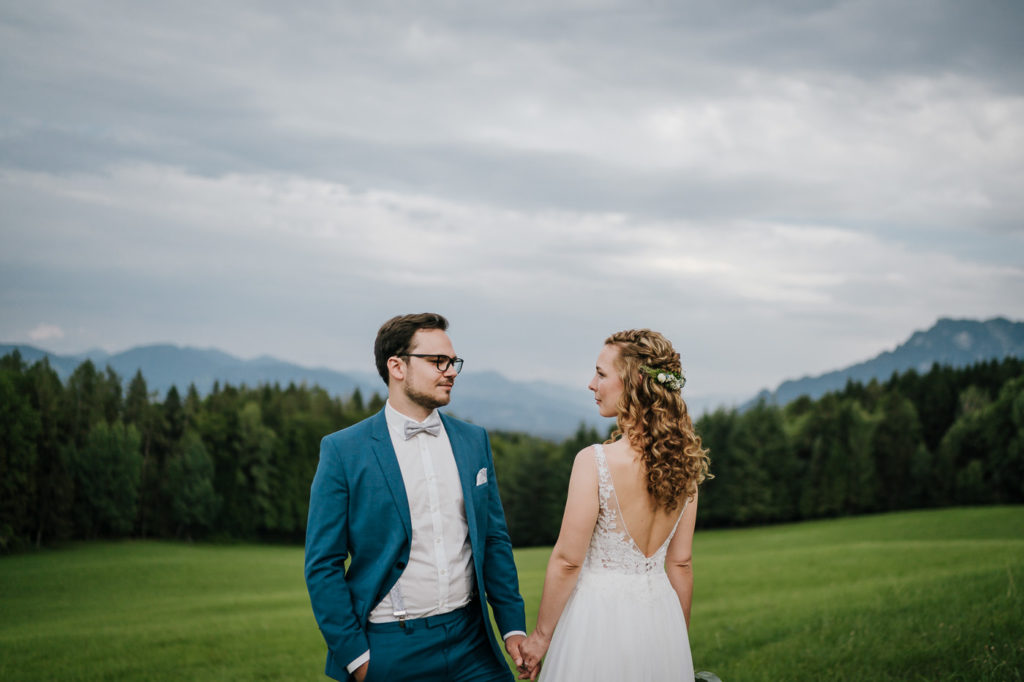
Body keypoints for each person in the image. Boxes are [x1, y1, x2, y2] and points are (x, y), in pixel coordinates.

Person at [305, 313, 527, 682]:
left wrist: (513, 627)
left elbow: (493, 539)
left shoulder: (474, 441)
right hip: (390, 647)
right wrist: (357, 660)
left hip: (473, 643)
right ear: (397, 366)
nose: (451, 371)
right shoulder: (344, 450)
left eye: (453, 361)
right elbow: (322, 564)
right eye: (438, 361)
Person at [518, 329, 711, 681]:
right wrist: (675, 643)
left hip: (598, 619)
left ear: (635, 381)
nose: (592, 384)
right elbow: (680, 563)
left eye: (601, 374)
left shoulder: (594, 461)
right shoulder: (685, 465)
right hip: (661, 618)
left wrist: (541, 638)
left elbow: (568, 560)